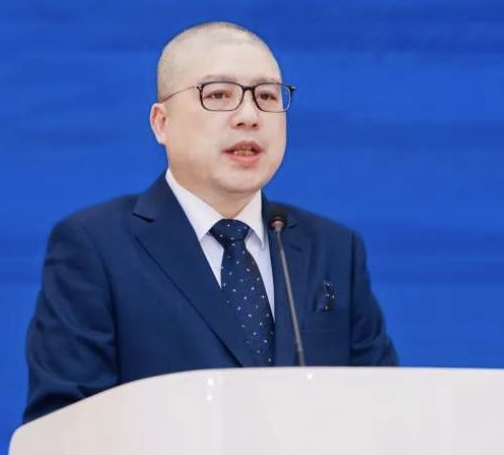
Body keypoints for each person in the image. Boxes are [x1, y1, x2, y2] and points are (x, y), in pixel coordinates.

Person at [22, 21, 398, 423]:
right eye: (219, 94)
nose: (249, 116)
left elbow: (386, 412)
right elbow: (63, 426)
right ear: (161, 122)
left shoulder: (334, 249)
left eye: (267, 96)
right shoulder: (97, 246)